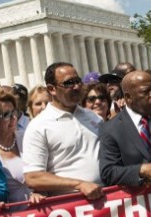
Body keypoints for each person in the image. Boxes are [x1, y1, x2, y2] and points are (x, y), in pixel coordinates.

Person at [23, 62, 103, 200]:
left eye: (78, 81)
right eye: (69, 83)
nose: (77, 86)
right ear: (52, 89)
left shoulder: (94, 118)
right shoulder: (38, 126)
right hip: (70, 209)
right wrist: (79, 184)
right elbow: (33, 177)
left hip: (108, 201)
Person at [0, 88, 44, 210]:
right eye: (6, 115)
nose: (13, 118)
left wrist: (38, 192)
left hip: (41, 212)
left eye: (14, 112)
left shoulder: (29, 137)